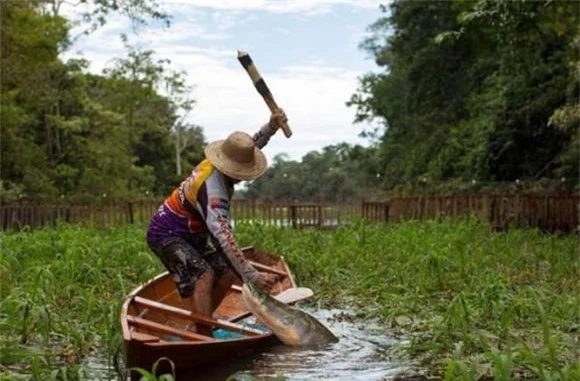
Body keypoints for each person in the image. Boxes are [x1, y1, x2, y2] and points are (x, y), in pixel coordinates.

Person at [146, 109, 288, 334]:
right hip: (168, 232)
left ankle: (200, 321)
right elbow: (223, 236)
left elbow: (248, 147)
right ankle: (202, 334)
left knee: (229, 272)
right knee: (204, 275)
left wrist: (270, 127)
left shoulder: (223, 161)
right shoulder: (213, 191)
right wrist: (251, 275)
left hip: (192, 233)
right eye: (241, 173)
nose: (242, 177)